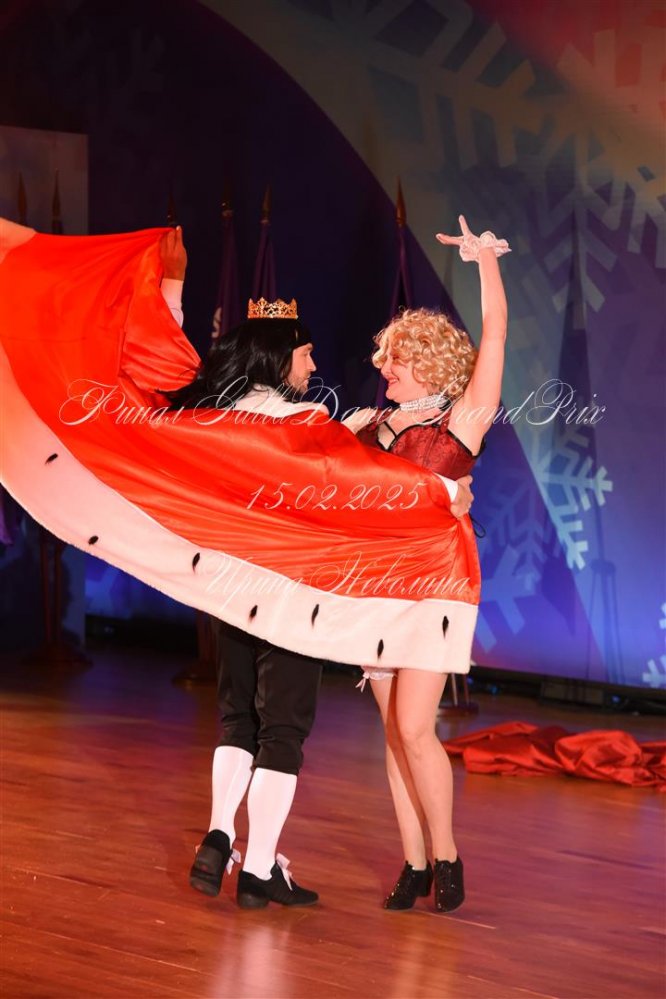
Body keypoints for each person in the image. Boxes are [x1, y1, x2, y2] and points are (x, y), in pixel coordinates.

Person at [157, 228, 476, 910]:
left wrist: (171, 290)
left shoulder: (217, 413)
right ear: (281, 358)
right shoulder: (305, 422)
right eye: (305, 353)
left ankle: (220, 832)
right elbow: (358, 482)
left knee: (236, 719)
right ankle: (258, 866)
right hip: (293, 594)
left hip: (229, 589)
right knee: (282, 730)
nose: (314, 363)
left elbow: (164, 382)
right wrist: (447, 491)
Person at [345, 216, 509, 914]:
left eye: (397, 359)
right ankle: (413, 862)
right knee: (393, 734)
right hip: (377, 588)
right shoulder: (366, 425)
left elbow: (494, 337)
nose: (384, 367)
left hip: (434, 586)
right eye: (385, 357)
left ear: (431, 365)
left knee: (415, 727)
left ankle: (447, 855)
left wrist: (485, 263)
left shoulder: (460, 419)